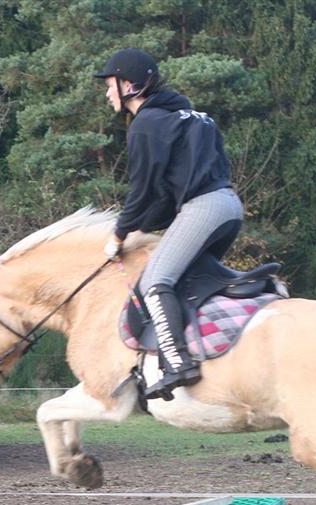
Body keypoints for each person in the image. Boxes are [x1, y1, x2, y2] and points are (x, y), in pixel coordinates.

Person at [96, 48, 243, 401]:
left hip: (203, 207)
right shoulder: (194, 117)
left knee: (155, 281)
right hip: (228, 207)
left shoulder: (146, 124)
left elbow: (143, 190)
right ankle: (217, 354)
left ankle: (178, 363)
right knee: (185, 283)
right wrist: (142, 228)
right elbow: (163, 196)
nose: (106, 93)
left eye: (110, 85)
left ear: (129, 86)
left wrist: (119, 234)